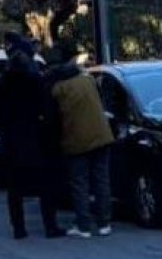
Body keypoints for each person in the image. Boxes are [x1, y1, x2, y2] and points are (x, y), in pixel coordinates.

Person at [0, 33, 63, 240]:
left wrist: (1, 132)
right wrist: (50, 133)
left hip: (11, 143)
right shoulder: (36, 82)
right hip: (37, 142)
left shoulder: (2, 83)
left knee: (15, 189)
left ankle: (19, 229)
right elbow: (49, 111)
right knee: (46, 186)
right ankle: (50, 226)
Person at [47, 43, 115, 238]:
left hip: (76, 140)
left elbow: (55, 117)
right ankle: (104, 223)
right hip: (101, 135)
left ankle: (83, 225)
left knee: (79, 183)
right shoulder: (88, 80)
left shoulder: (58, 89)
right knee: (101, 180)